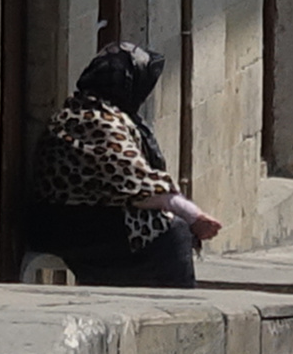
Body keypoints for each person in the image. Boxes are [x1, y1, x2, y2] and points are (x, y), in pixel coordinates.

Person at [29, 42, 222, 288]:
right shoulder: (97, 121)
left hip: (70, 221)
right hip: (71, 227)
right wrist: (193, 216)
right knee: (174, 232)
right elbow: (140, 187)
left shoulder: (77, 110)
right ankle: (178, 306)